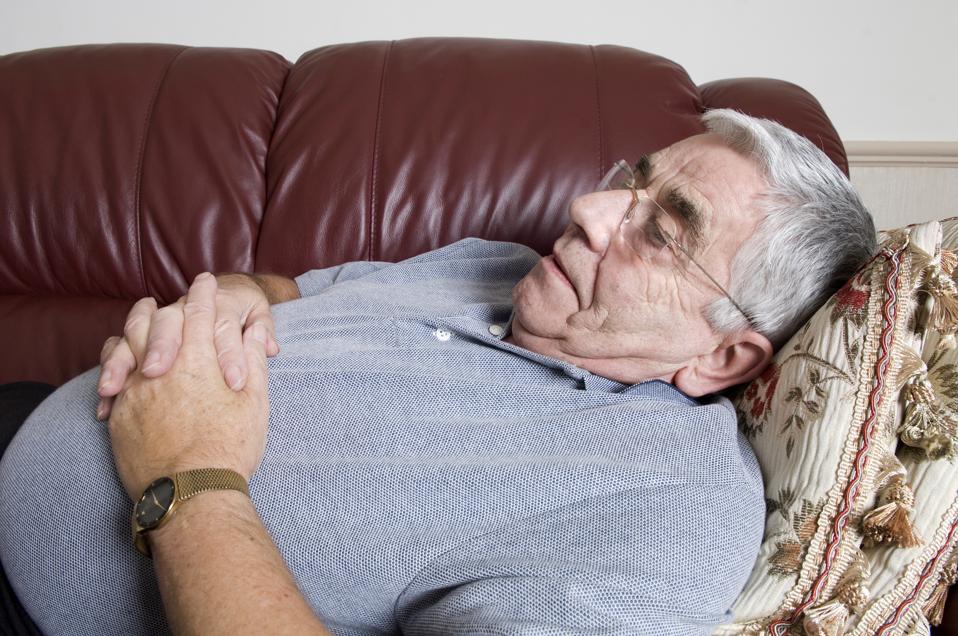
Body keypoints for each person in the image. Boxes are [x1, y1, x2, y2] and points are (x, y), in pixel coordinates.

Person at [0, 109, 876, 635]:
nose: (588, 208)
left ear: (723, 355)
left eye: (662, 228)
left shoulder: (665, 516)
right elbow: (287, 288)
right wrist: (221, 303)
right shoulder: (499, 262)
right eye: (631, 181)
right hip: (28, 411)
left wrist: (183, 472)